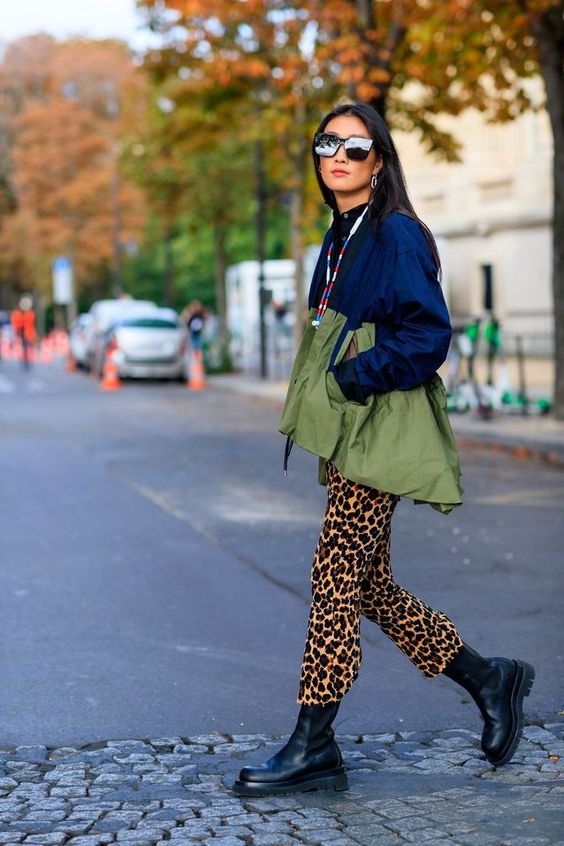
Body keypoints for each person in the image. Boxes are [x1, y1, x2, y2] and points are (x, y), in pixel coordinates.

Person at [233, 103, 535, 797]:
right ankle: (491, 679)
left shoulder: (396, 235)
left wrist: (349, 377)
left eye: (355, 146)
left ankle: (314, 743)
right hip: (352, 427)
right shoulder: (341, 234)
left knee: (334, 575)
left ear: (380, 159)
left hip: (382, 425)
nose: (337, 155)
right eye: (326, 143)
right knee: (369, 585)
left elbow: (427, 336)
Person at [11, 295, 37, 370]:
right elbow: (16, 324)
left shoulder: (30, 314)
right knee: (24, 348)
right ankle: (25, 361)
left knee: (28, 348)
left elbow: (31, 323)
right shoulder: (18, 314)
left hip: (29, 334)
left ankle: (28, 361)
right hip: (22, 334)